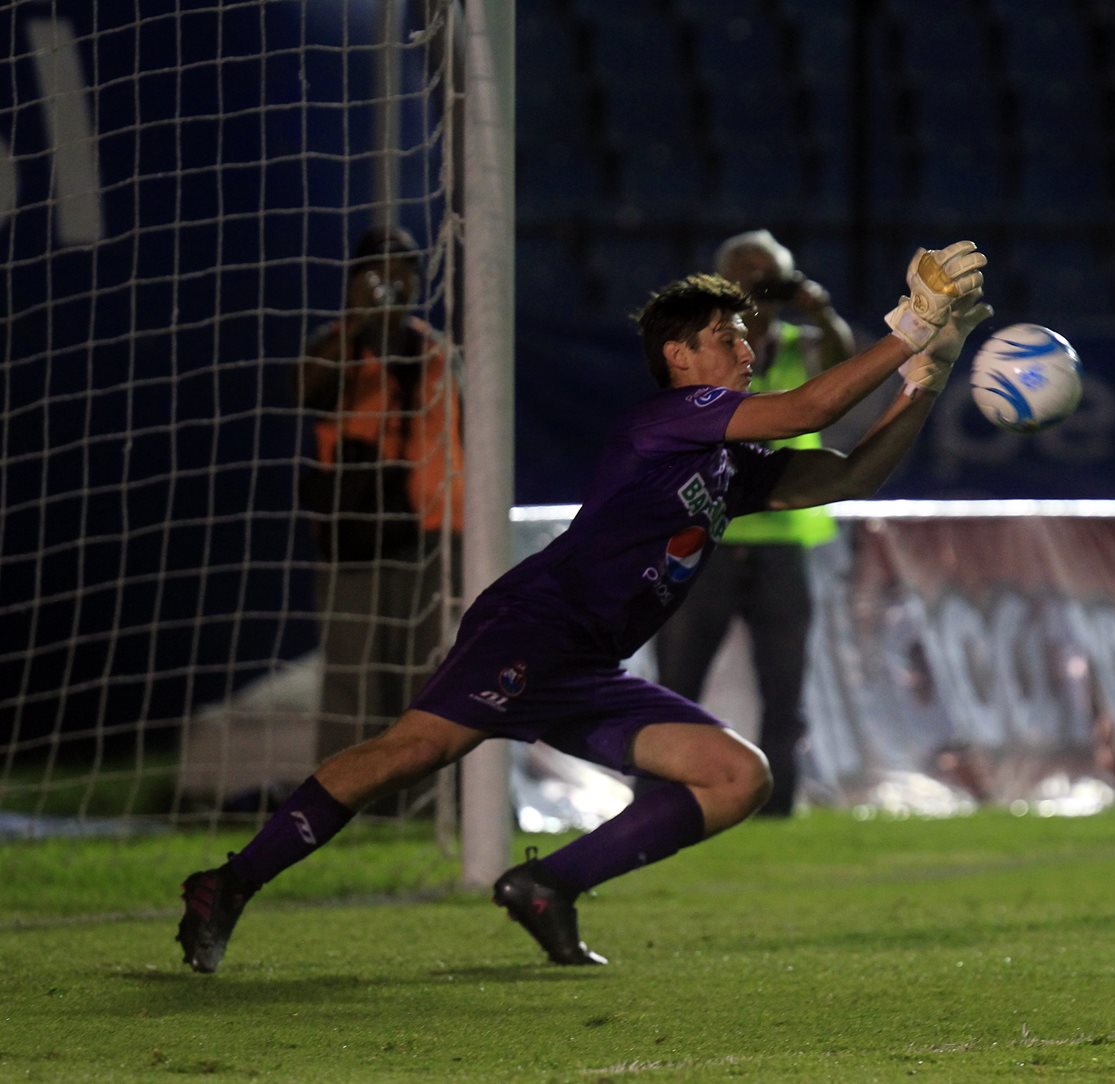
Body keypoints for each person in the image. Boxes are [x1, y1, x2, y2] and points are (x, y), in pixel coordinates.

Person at [178, 242, 991, 971]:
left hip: (589, 663)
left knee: (736, 777)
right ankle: (231, 882)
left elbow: (848, 476)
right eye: (727, 338)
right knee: (409, 753)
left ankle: (545, 885)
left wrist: (928, 377)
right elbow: (811, 410)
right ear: (679, 356)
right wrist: (912, 325)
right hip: (536, 625)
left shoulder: (729, 461)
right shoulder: (672, 417)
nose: (748, 349)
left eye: (748, 336)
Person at [653, 229, 855, 815]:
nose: (753, 280)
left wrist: (823, 311)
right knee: (677, 682)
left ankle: (776, 805)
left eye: (766, 270)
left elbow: (843, 367)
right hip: (703, 537)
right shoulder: (696, 351)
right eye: (741, 268)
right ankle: (658, 799)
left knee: (784, 687)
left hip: (781, 536)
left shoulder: (799, 342)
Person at [297, 225, 464, 774]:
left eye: (404, 272)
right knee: (354, 673)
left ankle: (417, 801)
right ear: (354, 282)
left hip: (435, 530)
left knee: (425, 673)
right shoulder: (338, 346)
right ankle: (339, 797)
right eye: (378, 273)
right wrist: (361, 323)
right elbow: (304, 392)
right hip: (359, 530)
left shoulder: (436, 351)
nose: (393, 283)